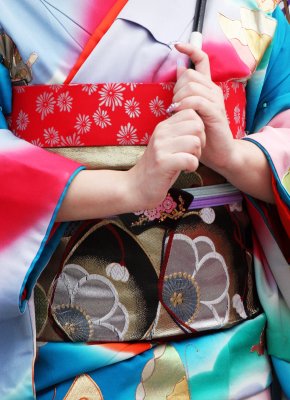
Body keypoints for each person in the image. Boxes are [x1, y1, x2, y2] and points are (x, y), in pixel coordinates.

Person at [0, 0, 289, 399]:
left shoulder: (255, 8)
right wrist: (129, 188)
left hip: (231, 361)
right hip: (68, 360)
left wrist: (231, 156)